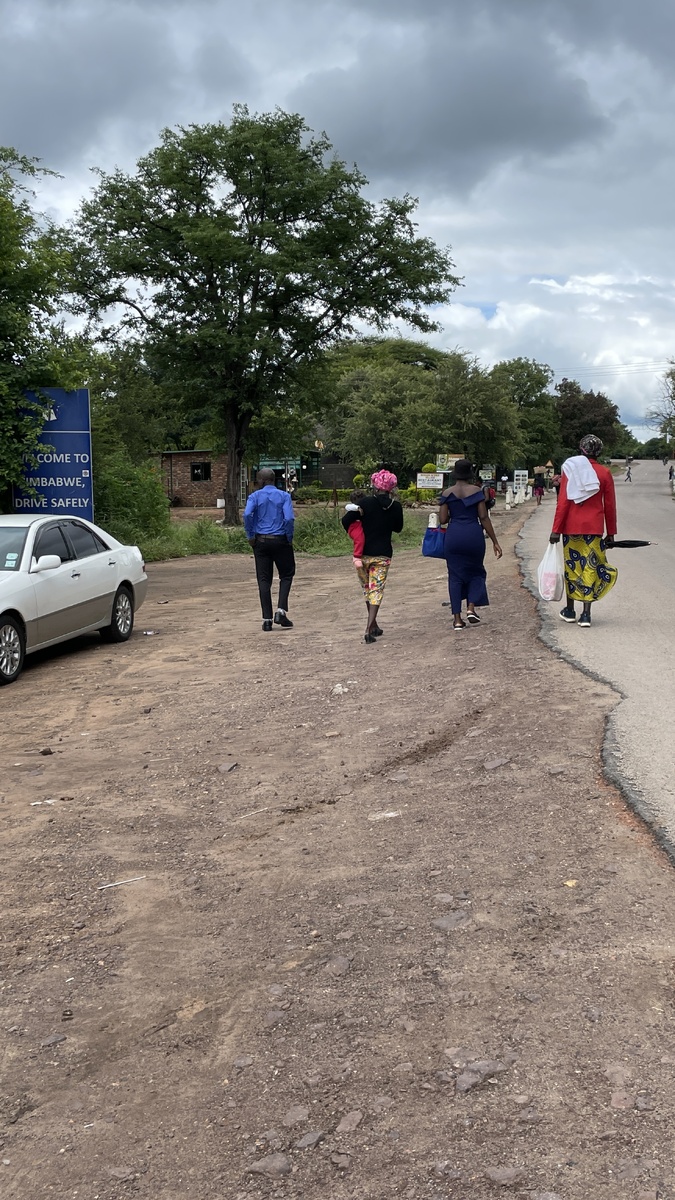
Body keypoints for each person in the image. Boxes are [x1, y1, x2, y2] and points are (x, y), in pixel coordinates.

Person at [549, 434, 617, 629]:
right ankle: (586, 615)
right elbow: (610, 505)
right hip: (594, 529)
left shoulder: (570, 470)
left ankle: (569, 610)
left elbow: (563, 502)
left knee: (572, 567)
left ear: (581, 450)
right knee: (590, 567)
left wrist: (556, 529)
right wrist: (611, 532)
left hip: (571, 528)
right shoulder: (604, 473)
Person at [438, 458, 502, 630]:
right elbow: (483, 517)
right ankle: (471, 608)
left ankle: (457, 619)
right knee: (476, 572)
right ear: (469, 474)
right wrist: (495, 541)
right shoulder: (476, 491)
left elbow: (443, 519)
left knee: (455, 576)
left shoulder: (446, 493)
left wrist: (455, 515)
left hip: (454, 536)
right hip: (473, 535)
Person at [342, 470, 403, 643]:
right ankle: (370, 627)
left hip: (362, 555)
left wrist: (356, 532)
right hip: (383, 554)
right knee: (376, 589)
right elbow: (398, 528)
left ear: (375, 485)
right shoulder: (395, 506)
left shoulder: (366, 503)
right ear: (392, 487)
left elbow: (346, 520)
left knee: (367, 590)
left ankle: (373, 624)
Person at [243, 468, 296, 632]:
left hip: (261, 541)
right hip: (280, 540)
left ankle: (267, 619)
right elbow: (288, 518)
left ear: (262, 480)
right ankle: (280, 611)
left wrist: (250, 535)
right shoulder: (284, 496)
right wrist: (288, 536)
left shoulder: (255, 496)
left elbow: (246, 514)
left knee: (264, 579)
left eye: (258, 479)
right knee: (286, 575)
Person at [344, 489, 366, 568]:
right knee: (360, 539)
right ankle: (356, 556)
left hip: (359, 525)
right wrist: (357, 508)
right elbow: (347, 506)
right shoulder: (352, 507)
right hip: (354, 526)